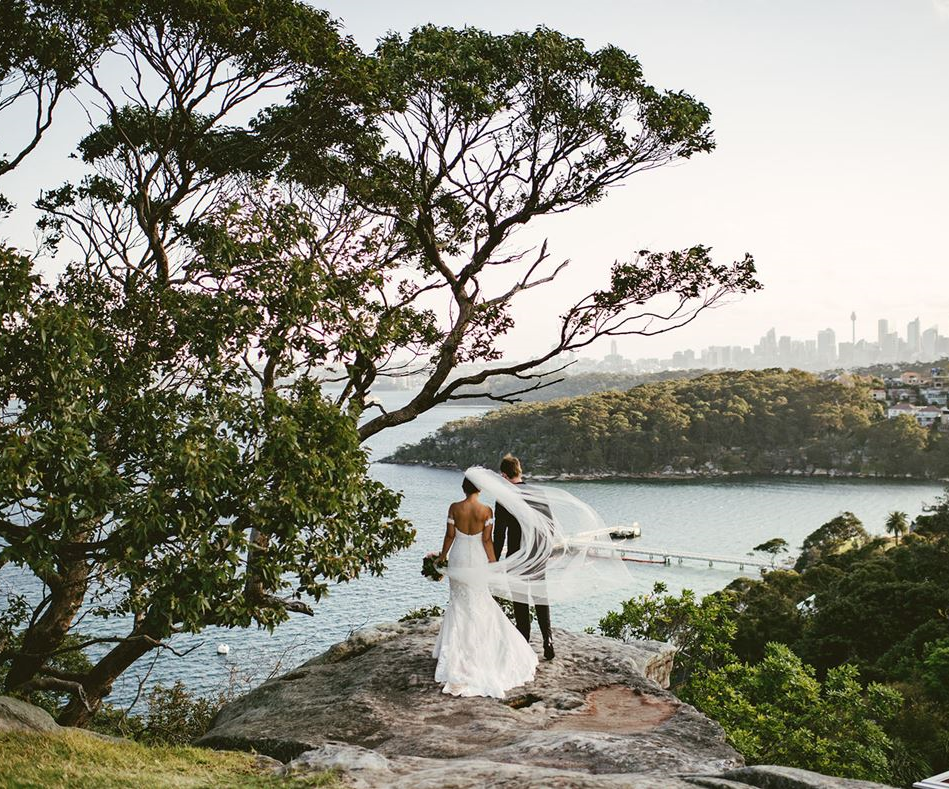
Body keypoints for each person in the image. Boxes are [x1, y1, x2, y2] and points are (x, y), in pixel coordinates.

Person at [431, 476, 538, 698]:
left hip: (459, 558)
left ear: (463, 487)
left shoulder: (454, 508)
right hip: (478, 559)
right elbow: (487, 541)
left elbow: (450, 535)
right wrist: (493, 564)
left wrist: (442, 557)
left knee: (459, 602)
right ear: (479, 488)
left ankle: (457, 654)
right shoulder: (487, 511)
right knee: (479, 600)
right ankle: (483, 650)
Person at [493, 454, 555, 660]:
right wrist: (543, 552)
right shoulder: (537, 493)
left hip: (516, 554)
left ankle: (524, 641)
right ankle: (548, 640)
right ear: (519, 471)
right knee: (540, 595)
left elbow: (499, 534)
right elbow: (550, 526)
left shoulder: (504, 498)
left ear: (504, 475)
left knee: (520, 598)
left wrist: (493, 561)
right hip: (537, 553)